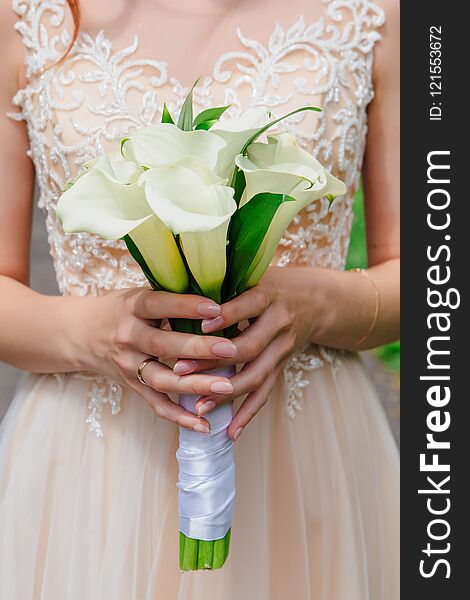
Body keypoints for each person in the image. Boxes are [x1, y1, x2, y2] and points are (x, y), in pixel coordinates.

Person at [0, 0, 399, 598]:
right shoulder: (23, 14)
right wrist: (96, 332)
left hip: (305, 465)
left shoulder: (387, 15)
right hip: (93, 477)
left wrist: (317, 303)